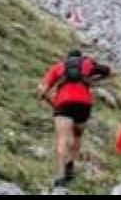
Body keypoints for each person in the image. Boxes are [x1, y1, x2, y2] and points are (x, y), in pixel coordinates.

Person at [37, 49, 111, 188]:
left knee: (63, 138)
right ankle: (71, 165)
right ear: (80, 58)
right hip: (84, 104)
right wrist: (93, 81)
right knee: (77, 135)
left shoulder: (58, 67)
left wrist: (51, 102)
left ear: (67, 58)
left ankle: (61, 174)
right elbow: (108, 71)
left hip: (64, 102)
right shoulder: (87, 63)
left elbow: (41, 90)